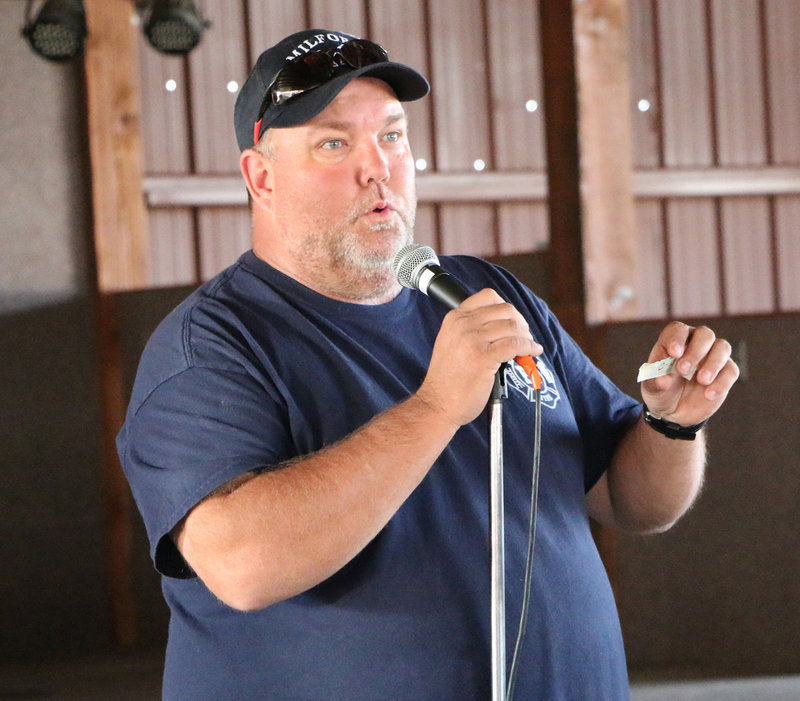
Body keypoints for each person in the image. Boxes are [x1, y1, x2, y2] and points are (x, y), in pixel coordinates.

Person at [117, 28, 739, 700]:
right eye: (334, 142)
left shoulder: (484, 297)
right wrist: (436, 407)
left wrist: (673, 423)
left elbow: (628, 498)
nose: (377, 167)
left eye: (392, 135)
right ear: (261, 177)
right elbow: (244, 564)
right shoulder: (214, 344)